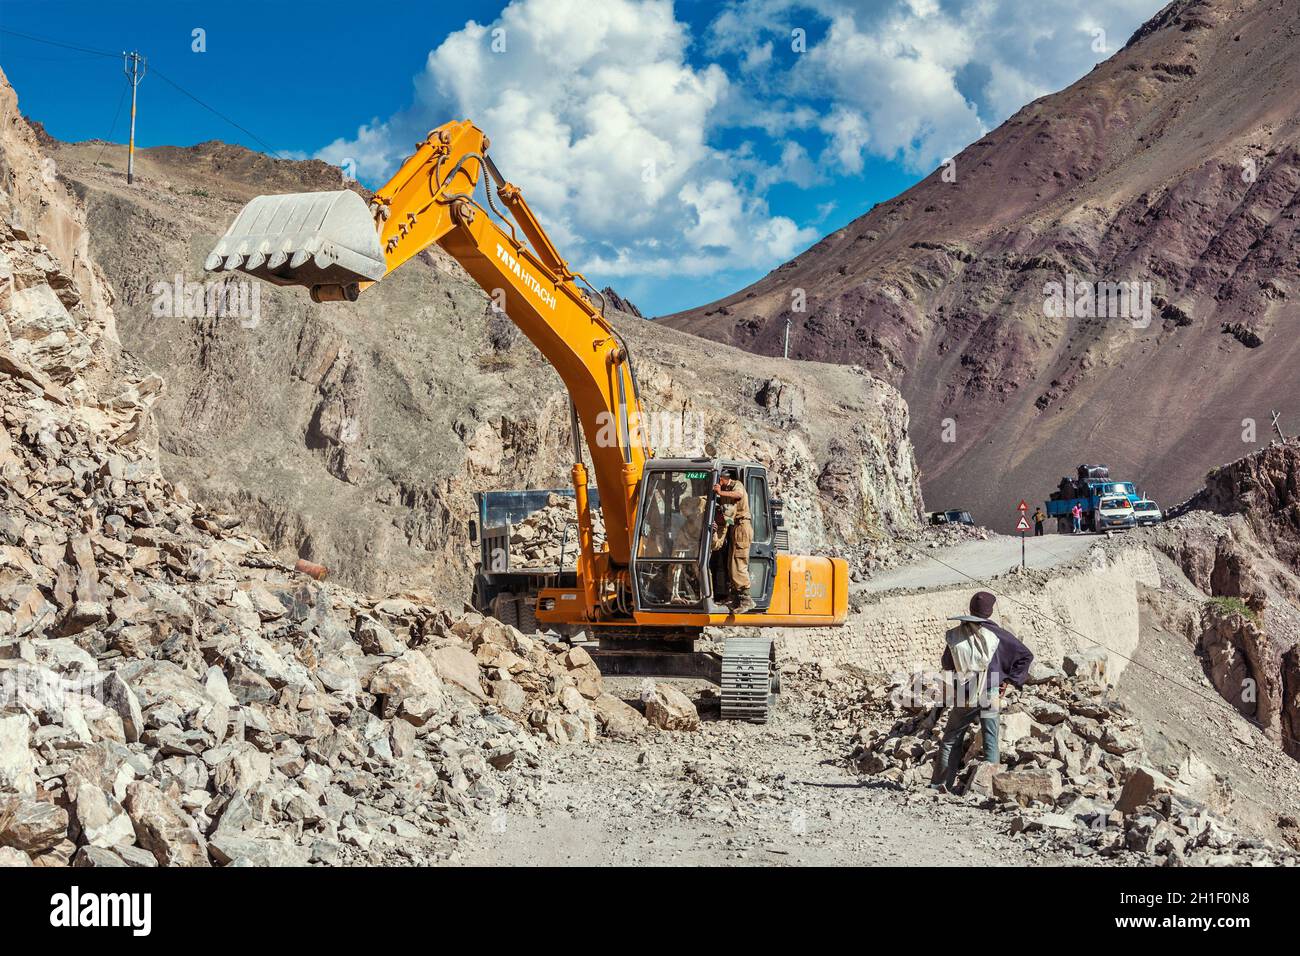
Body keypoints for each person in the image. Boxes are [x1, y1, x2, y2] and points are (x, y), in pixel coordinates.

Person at [930, 591, 1034, 792]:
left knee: (951, 738)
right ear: (990, 611)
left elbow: (947, 663)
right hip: (991, 692)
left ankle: (940, 785)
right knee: (990, 739)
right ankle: (988, 788)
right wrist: (1009, 680)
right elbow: (1025, 656)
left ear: (971, 609)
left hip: (965, 693)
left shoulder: (958, 634)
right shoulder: (1000, 635)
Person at [713, 470, 754, 612]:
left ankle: (746, 599)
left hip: (742, 527)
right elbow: (728, 514)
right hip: (734, 526)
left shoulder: (737, 485)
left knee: (738, 562)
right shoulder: (724, 491)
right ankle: (735, 597)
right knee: (730, 563)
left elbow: (738, 495)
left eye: (718, 481)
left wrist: (720, 493)